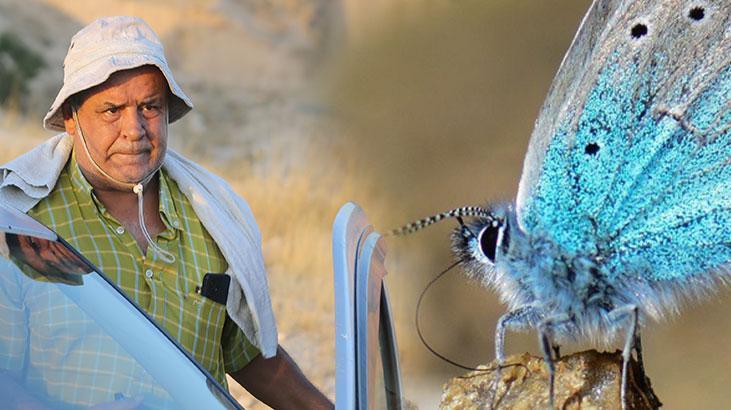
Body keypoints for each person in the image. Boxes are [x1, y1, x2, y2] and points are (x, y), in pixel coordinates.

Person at [0, 16, 332, 409]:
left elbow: (248, 353)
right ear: (71, 119)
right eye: (111, 110)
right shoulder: (24, 225)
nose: (135, 129)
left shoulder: (211, 217)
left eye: (150, 107)